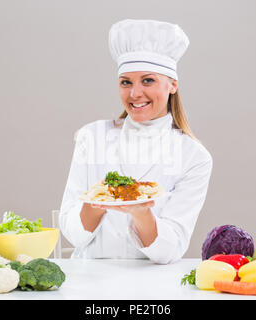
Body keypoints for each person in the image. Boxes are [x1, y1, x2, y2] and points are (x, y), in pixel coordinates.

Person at [59, 19, 213, 264]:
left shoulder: (194, 156)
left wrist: (142, 215)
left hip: (153, 285)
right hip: (89, 282)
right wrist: (97, 202)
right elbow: (71, 231)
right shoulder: (93, 136)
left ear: (172, 84)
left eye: (148, 80)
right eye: (126, 82)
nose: (135, 93)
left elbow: (171, 250)